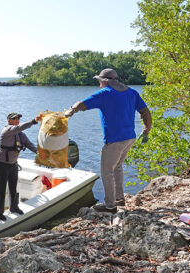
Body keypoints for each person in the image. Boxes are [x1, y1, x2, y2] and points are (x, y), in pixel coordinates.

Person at [65, 68, 152, 213]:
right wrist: (146, 130)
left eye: (99, 81)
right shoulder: (132, 92)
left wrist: (71, 111)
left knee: (107, 172)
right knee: (117, 167)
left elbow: (82, 104)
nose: (99, 84)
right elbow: (145, 112)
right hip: (130, 138)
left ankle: (110, 205)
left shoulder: (104, 93)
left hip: (114, 141)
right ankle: (120, 199)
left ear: (105, 81)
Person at [0, 112, 41, 220]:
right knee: (1, 189)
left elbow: (30, 145)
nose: (17, 120)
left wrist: (40, 154)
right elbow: (19, 127)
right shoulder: (7, 130)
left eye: (18, 118)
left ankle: (14, 207)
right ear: (9, 121)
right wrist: (34, 121)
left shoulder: (21, 135)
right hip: (1, 163)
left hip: (13, 164)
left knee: (13, 187)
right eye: (14, 118)